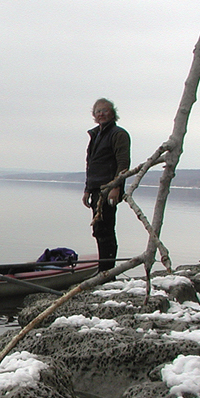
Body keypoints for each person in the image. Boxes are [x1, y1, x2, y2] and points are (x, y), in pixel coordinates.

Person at [83, 98, 130, 272]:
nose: (101, 114)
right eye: (98, 111)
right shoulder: (95, 135)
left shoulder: (118, 134)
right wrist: (87, 189)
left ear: (113, 113)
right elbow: (91, 164)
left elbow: (123, 162)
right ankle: (103, 269)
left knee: (105, 230)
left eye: (105, 110)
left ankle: (107, 272)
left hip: (109, 189)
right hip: (95, 188)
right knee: (98, 229)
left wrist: (116, 187)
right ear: (94, 115)